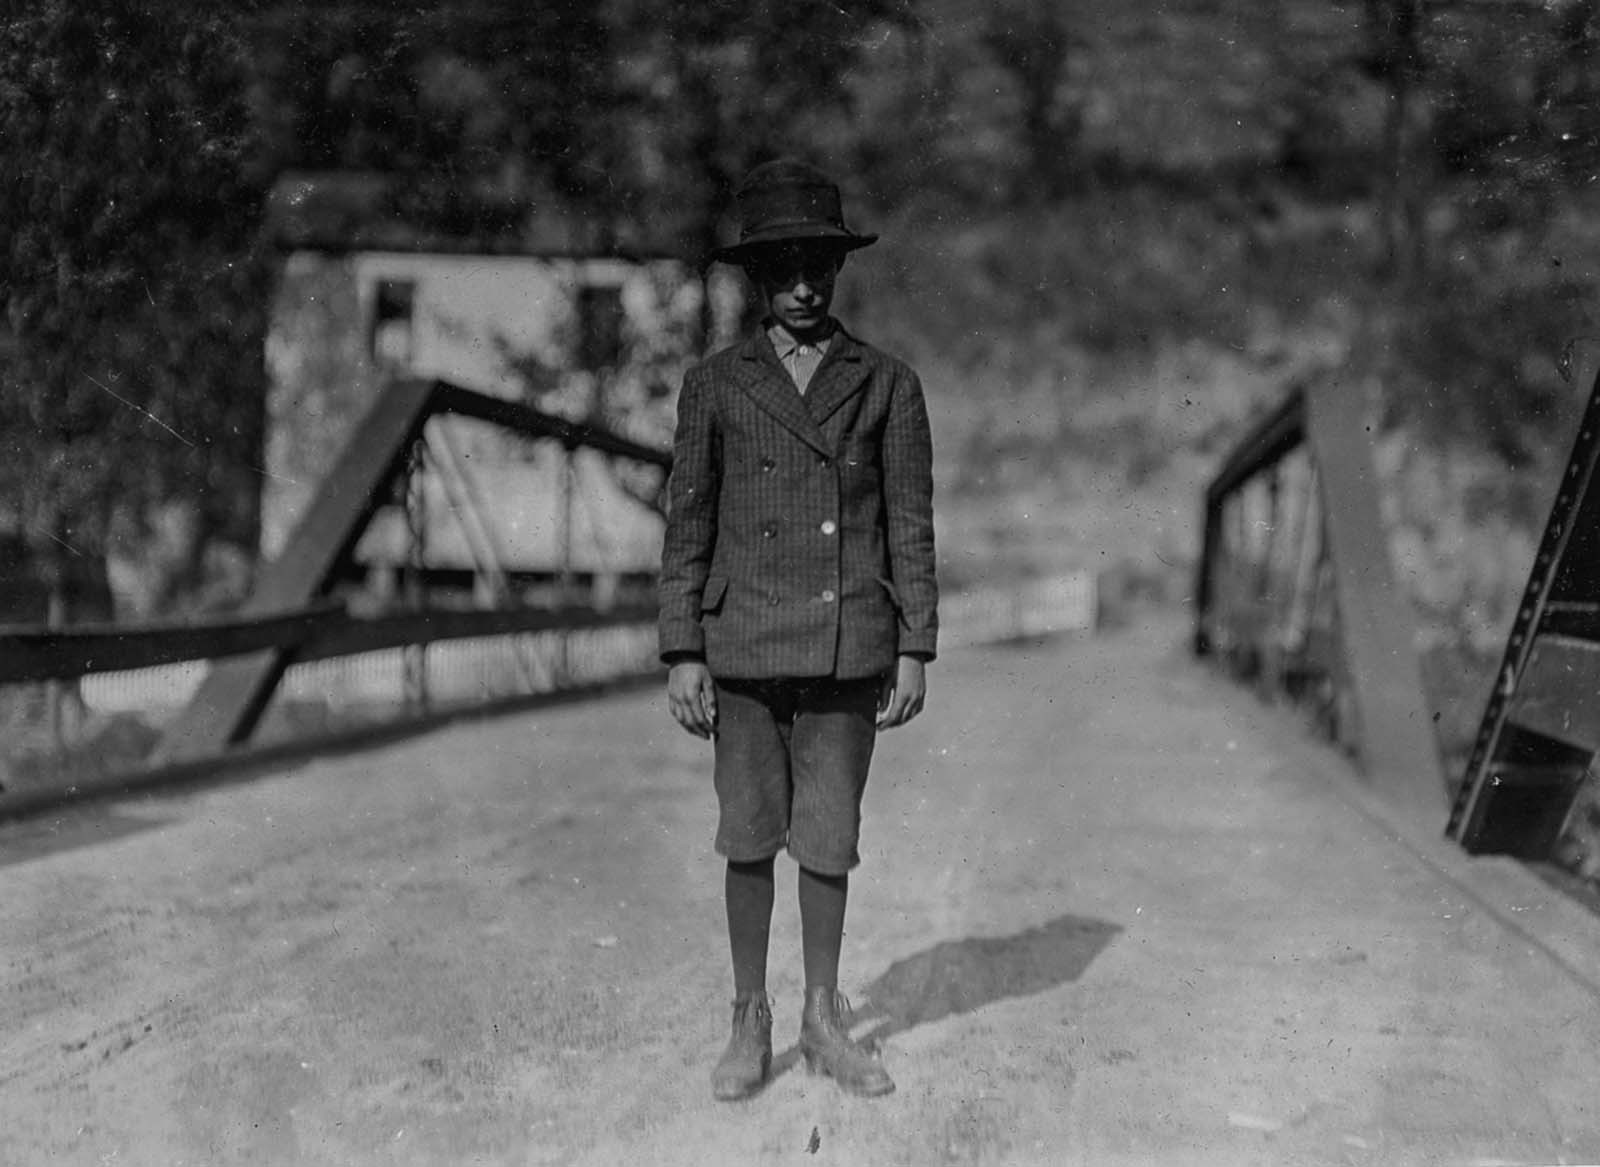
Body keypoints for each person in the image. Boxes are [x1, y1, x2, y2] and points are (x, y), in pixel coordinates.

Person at [658, 158, 938, 1101]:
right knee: (747, 834)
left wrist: (915, 642)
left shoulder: (889, 385)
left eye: (820, 264)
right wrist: (683, 647)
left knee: (829, 836)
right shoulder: (716, 384)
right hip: (741, 648)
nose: (806, 285)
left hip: (847, 643)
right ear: (756, 278)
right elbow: (687, 523)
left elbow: (910, 521)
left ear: (840, 269)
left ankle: (822, 1016)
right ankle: (751, 1014)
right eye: (785, 268)